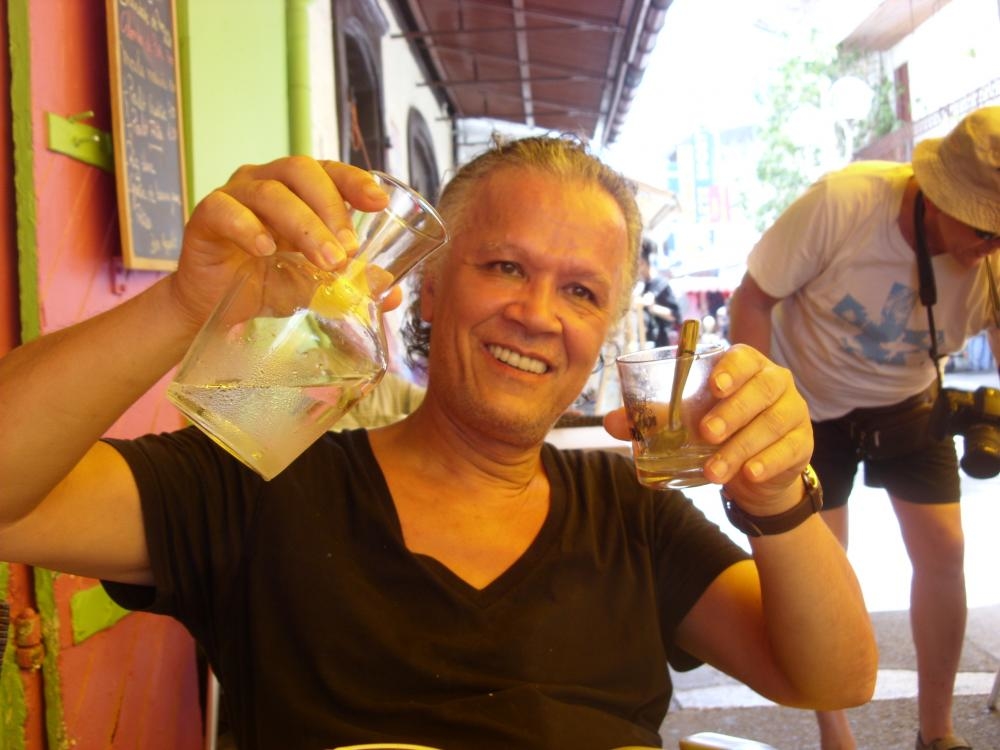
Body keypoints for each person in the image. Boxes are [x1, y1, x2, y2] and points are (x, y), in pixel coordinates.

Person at [0, 137, 876, 750]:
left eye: (580, 291)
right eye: (504, 266)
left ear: (607, 331)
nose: (537, 314)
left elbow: (832, 677)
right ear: (427, 287)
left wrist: (777, 497)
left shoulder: (629, 517)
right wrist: (181, 306)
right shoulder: (268, 481)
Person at [727, 107, 1000, 750]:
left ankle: (937, 732)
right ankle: (835, 730)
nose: (991, 246)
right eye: (984, 227)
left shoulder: (993, 257)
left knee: (945, 553)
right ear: (938, 195)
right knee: (824, 568)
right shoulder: (844, 204)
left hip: (909, 402)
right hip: (811, 404)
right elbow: (753, 298)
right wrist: (764, 413)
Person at [637, 237, 681, 346]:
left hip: (662, 343)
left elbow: (675, 315)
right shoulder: (642, 286)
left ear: (642, 262)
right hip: (647, 342)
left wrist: (652, 308)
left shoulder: (660, 284)